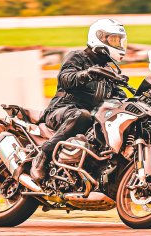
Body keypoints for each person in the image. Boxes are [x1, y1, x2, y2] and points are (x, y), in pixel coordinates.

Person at [31, 19, 128, 182]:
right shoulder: (78, 57)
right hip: (61, 110)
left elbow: (120, 97)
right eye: (114, 40)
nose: (118, 44)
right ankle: (43, 155)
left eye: (119, 40)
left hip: (88, 119)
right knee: (82, 116)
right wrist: (87, 74)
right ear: (100, 38)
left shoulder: (108, 71)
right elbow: (64, 78)